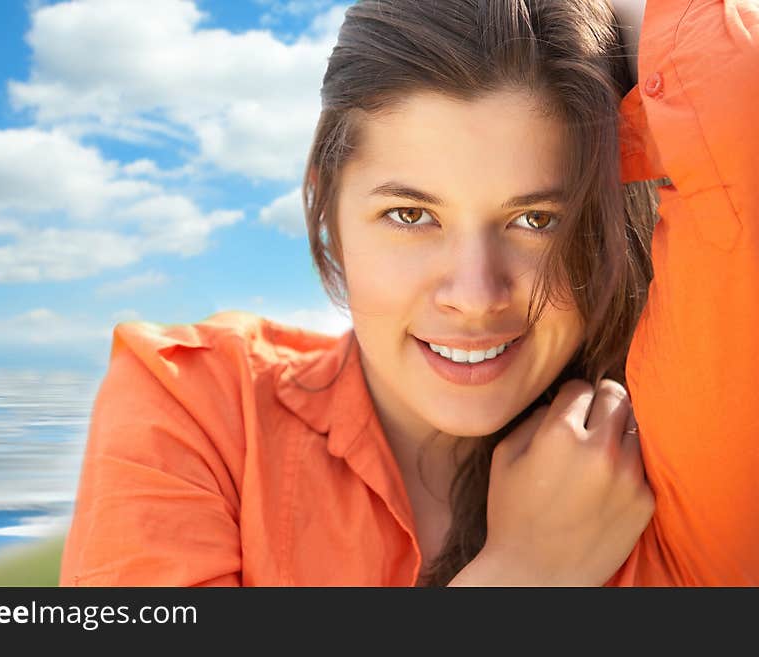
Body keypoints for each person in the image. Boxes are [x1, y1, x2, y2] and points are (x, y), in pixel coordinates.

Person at [59, 0, 759, 586]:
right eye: (411, 215)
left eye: (534, 220)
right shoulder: (200, 410)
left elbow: (740, 98)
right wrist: (525, 573)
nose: (475, 294)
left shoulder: (661, 476)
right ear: (327, 206)